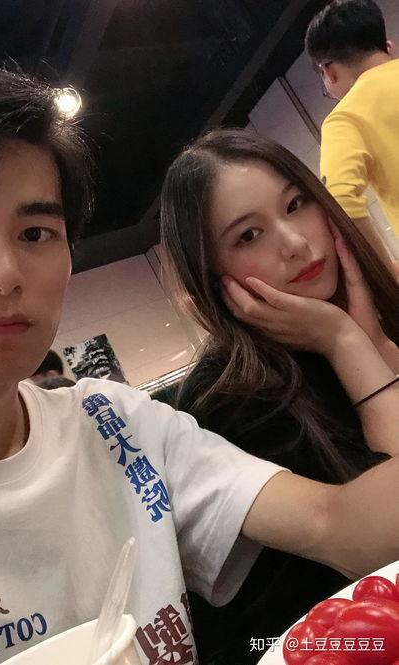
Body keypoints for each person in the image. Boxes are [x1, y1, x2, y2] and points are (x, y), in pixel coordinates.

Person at [0, 63, 399, 665]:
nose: (3, 274)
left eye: (35, 233)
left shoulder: (120, 425)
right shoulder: (233, 395)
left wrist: (354, 342)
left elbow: (342, 529)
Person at [159, 127, 399, 664]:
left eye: (295, 204)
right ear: (213, 275)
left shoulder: (371, 306)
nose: (294, 242)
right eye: (249, 236)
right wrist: (345, 343)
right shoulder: (231, 398)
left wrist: (376, 342)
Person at [305, 0, 399, 273]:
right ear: (388, 48)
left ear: (329, 71)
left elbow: (340, 200)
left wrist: (386, 272)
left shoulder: (345, 119)